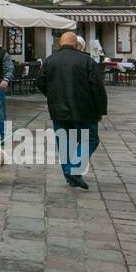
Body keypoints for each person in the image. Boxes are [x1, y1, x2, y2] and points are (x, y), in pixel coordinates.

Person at [36, 30, 108, 189]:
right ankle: (75, 170)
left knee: (64, 141)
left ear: (60, 43)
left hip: (58, 108)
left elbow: (40, 82)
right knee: (90, 139)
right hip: (84, 109)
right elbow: (97, 87)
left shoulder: (50, 61)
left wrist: (52, 95)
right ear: (76, 44)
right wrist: (101, 109)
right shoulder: (86, 61)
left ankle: (70, 174)